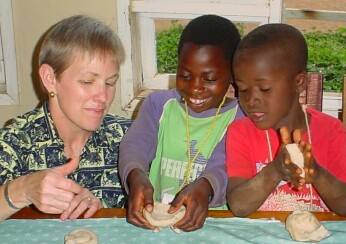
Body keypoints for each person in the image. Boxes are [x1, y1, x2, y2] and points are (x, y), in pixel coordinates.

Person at [0, 15, 132, 222]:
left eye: (110, 83)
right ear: (50, 79)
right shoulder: (16, 142)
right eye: (87, 81)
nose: (103, 98)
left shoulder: (128, 138)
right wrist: (22, 190)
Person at [119, 14, 244, 232]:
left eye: (210, 79)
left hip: (215, 225)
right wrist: (135, 175)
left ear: (233, 73)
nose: (195, 87)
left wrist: (206, 187)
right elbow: (134, 145)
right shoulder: (158, 104)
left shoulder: (240, 116)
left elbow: (225, 165)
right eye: (184, 75)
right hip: (157, 220)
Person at [226, 23, 346, 217]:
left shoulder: (331, 130)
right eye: (243, 89)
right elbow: (238, 206)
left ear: (299, 83)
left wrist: (317, 174)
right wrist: (275, 171)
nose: (251, 100)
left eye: (265, 89)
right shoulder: (241, 131)